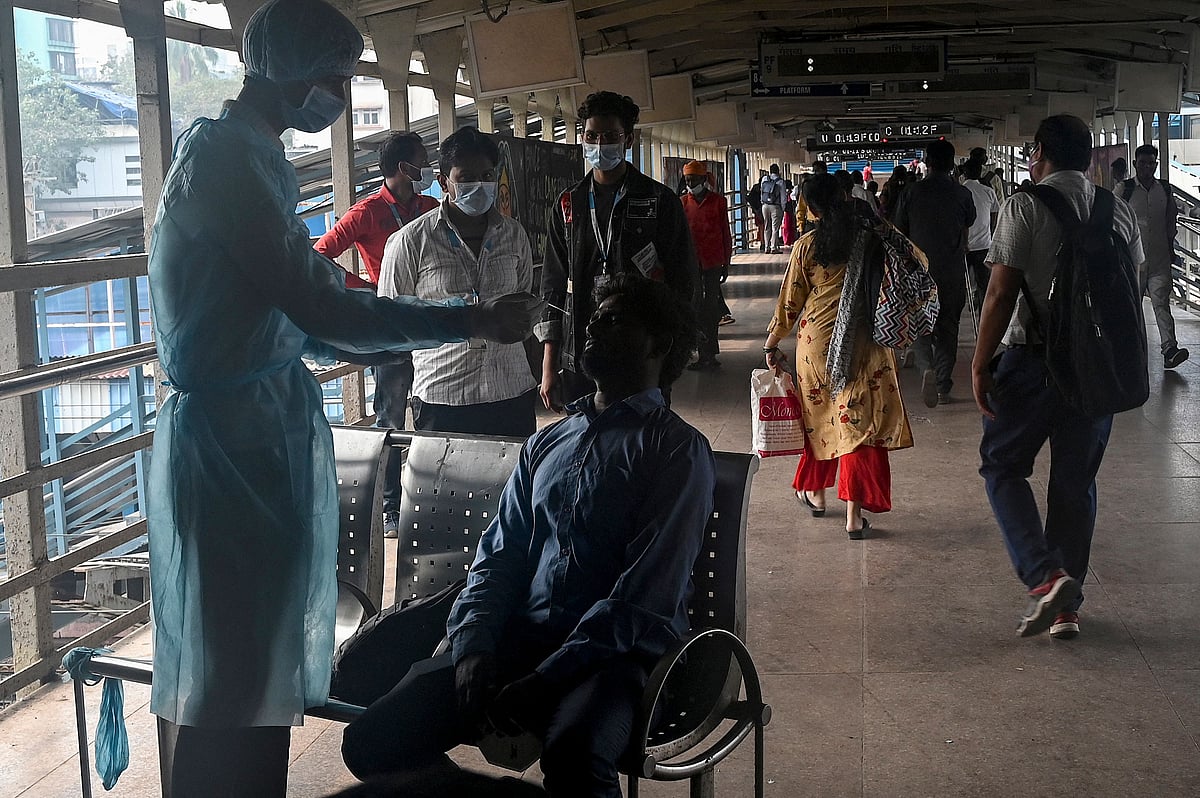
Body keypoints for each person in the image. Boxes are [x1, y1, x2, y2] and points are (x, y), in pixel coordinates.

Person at [143, 1, 537, 794]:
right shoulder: (225, 162)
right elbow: (321, 306)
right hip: (230, 452)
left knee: (254, 674)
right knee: (230, 678)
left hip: (251, 443)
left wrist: (420, 330)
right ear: (287, 69)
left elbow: (303, 317)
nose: (340, 91)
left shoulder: (254, 159)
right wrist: (468, 320)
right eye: (335, 74)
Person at [341, 275, 713, 798]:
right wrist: (473, 647)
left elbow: (642, 599)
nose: (591, 327)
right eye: (595, 314)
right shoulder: (550, 441)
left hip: (616, 660)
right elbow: (498, 558)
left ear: (659, 344)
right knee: (372, 741)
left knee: (575, 757)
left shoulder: (675, 450)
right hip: (523, 638)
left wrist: (549, 678)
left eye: (613, 318)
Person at [971, 114, 1143, 640]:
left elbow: (1000, 293)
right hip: (1096, 368)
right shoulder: (1118, 209)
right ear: (1089, 156)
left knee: (1002, 467)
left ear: (1040, 150)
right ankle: (1068, 610)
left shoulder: (1027, 205)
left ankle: (1047, 577)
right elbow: (1131, 286)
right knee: (1074, 485)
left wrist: (979, 364)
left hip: (1032, 363)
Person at [762, 174, 915, 538]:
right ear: (847, 198)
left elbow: (790, 304)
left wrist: (771, 343)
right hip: (867, 343)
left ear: (810, 208)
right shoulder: (873, 237)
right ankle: (853, 516)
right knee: (857, 425)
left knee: (821, 420)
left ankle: (815, 494)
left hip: (816, 346)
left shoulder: (807, 246)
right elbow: (915, 259)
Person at [537, 91, 698, 412]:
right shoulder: (569, 204)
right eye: (591, 136)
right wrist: (549, 366)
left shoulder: (659, 200)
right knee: (585, 443)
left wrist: (669, 358)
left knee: (643, 442)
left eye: (610, 136)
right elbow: (552, 287)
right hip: (584, 350)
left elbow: (682, 282)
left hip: (642, 352)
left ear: (629, 139)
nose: (599, 144)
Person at [316, 130, 438, 537]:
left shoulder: (431, 206)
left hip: (428, 322)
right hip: (388, 328)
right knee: (389, 415)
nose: (429, 167)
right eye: (423, 160)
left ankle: (426, 497)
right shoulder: (366, 213)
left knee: (429, 409)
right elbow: (319, 255)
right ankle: (388, 509)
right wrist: (364, 288)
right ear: (404, 168)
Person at [378, 127, 538, 437]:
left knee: (513, 484)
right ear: (443, 183)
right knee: (445, 486)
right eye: (466, 179)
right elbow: (390, 321)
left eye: (487, 175)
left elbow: (523, 301)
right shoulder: (410, 242)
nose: (479, 186)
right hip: (444, 398)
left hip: (512, 392)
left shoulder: (514, 235)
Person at [894, 139, 976, 407]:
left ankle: (926, 366)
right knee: (949, 327)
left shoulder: (911, 192)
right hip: (951, 272)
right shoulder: (962, 194)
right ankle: (942, 384)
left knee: (920, 325)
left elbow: (900, 232)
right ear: (952, 164)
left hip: (919, 273)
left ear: (926, 163)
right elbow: (968, 223)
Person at [1119, 144, 1190, 369]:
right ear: (1135, 164)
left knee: (1162, 303)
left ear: (1156, 165)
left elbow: (1171, 220)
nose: (1147, 167)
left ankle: (1169, 348)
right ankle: (1129, 348)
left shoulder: (1165, 190)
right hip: (1133, 260)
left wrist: (1171, 247)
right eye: (1142, 163)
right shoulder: (1125, 189)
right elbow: (1113, 219)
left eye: (1151, 163)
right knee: (1131, 305)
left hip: (1159, 257)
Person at [681, 160, 733, 370]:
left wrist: (726, 262)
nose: (691, 182)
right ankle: (695, 350)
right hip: (690, 264)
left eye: (694, 179)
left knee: (710, 309)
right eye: (687, 179)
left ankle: (709, 353)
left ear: (704, 179)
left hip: (712, 262)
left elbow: (725, 233)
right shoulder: (683, 203)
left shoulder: (718, 202)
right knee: (692, 307)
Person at [962, 159, 1000, 323]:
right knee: (984, 283)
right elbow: (995, 213)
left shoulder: (960, 191)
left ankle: (969, 297)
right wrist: (989, 231)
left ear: (964, 173)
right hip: (984, 245)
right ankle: (984, 317)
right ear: (980, 173)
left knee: (960, 282)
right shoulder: (988, 191)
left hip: (963, 246)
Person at [760, 164, 787, 254]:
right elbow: (783, 197)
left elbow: (762, 192)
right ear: (778, 171)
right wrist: (783, 209)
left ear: (770, 171)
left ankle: (766, 247)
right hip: (776, 206)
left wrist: (763, 203)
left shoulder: (764, 179)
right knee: (775, 228)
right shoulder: (781, 182)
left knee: (767, 226)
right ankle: (773, 248)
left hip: (765, 206)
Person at [747, 180, 765, 251]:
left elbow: (749, 198)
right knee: (764, 226)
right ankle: (765, 242)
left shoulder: (755, 188)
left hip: (757, 210)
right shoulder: (765, 187)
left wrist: (754, 209)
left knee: (761, 226)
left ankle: (762, 243)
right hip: (763, 208)